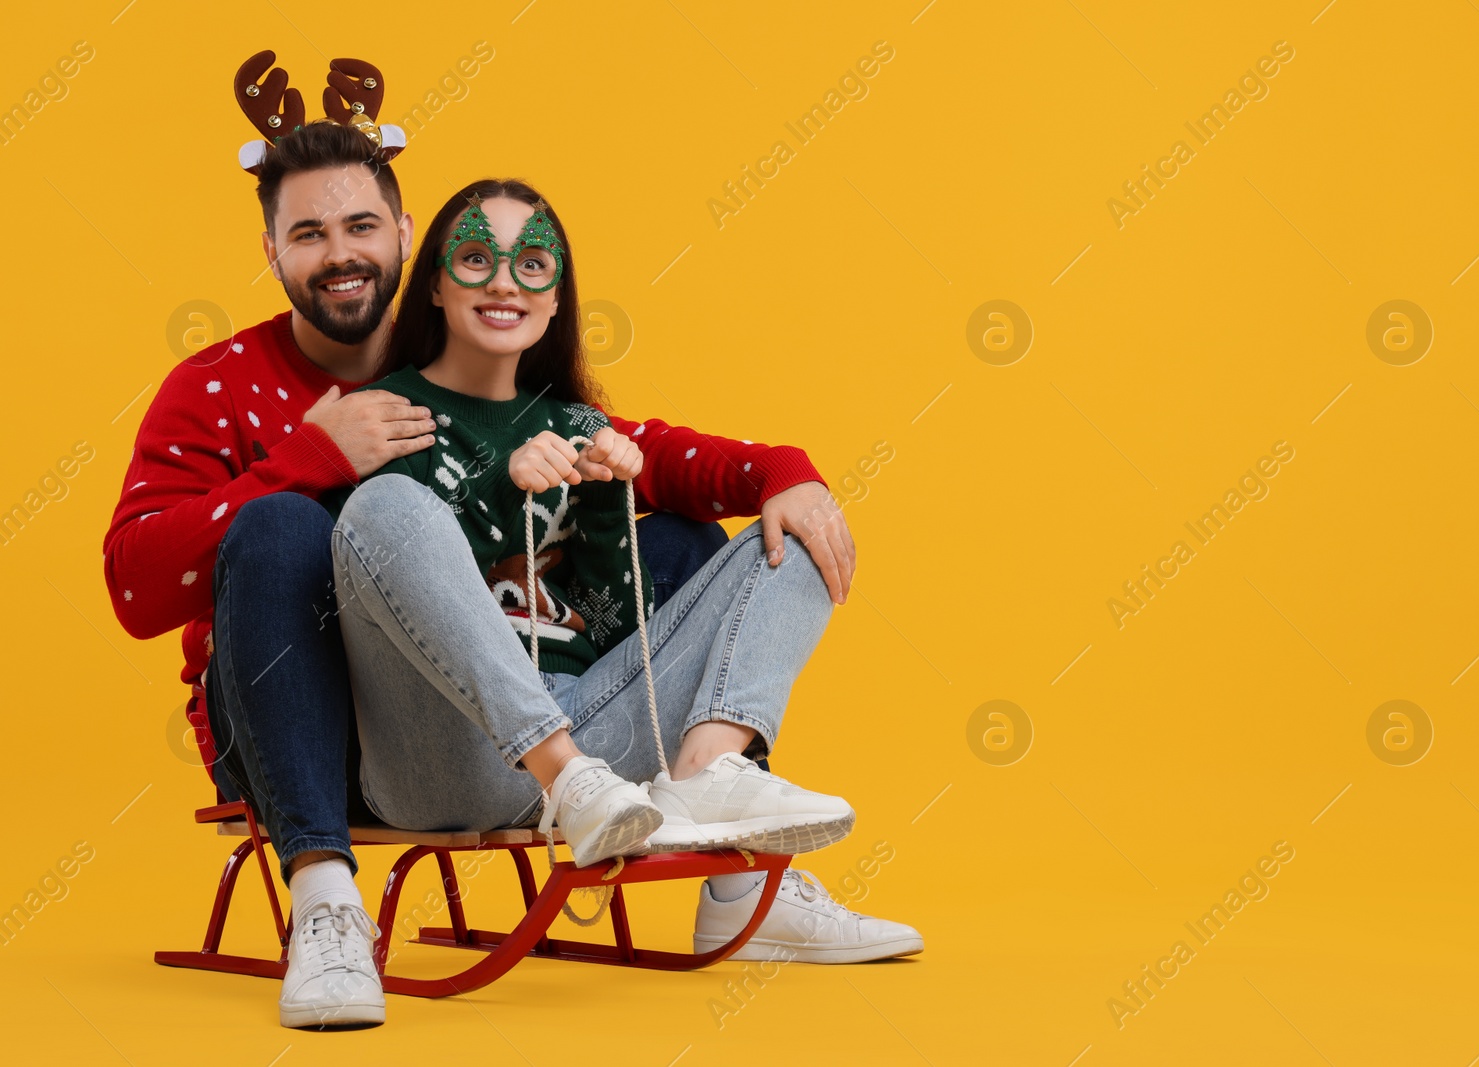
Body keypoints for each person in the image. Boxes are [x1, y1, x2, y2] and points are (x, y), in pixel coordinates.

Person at [101, 56, 918, 1032]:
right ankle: (323, 897)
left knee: (687, 539)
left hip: (507, 714)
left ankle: (734, 866)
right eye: (308, 232)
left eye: (361, 225)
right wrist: (305, 459)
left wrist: (780, 470)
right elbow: (138, 588)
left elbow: (640, 451)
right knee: (285, 526)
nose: (339, 252)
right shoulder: (219, 385)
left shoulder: (471, 355)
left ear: (407, 239)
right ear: (271, 249)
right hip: (321, 737)